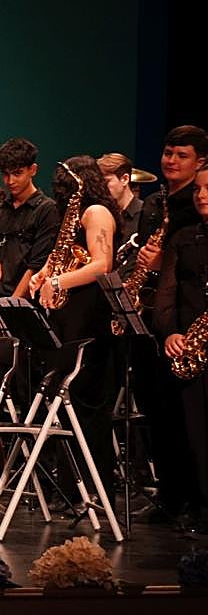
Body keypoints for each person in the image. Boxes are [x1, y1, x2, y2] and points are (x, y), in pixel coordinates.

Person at [28, 155, 120, 510]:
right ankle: (69, 490)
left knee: (88, 406)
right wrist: (44, 273)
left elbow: (102, 265)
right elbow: (62, 256)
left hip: (91, 319)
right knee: (68, 406)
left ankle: (96, 490)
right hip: (70, 317)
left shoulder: (96, 212)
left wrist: (57, 281)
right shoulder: (73, 216)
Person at [154, 164, 208, 535]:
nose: (201, 195)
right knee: (194, 434)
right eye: (198, 189)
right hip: (191, 345)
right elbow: (167, 292)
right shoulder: (185, 237)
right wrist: (170, 331)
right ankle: (199, 505)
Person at [0, 138, 59, 301]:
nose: (10, 181)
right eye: (5, 174)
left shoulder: (47, 210)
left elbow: (36, 266)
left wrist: (11, 306)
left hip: (22, 304)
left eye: (17, 173)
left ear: (33, 170)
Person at [98, 153, 144, 275]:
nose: (101, 189)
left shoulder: (144, 214)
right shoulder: (103, 215)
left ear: (125, 179)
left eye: (106, 182)